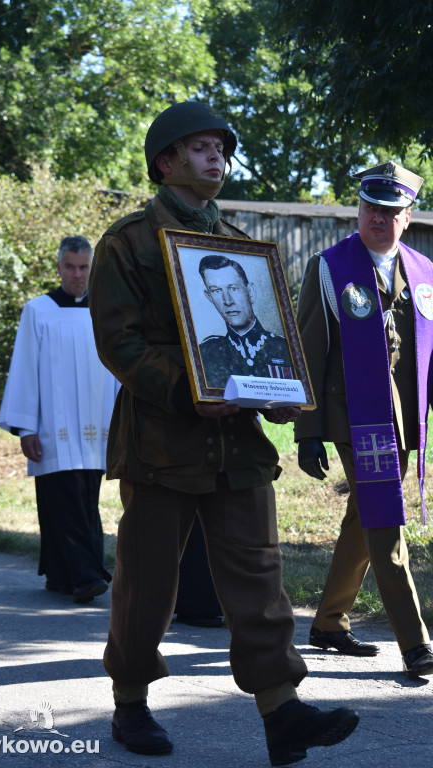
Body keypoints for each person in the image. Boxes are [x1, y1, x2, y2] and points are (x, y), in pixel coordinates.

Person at [89, 101, 359, 767]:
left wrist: (279, 393)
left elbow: (274, 342)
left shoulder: (242, 247)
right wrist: (189, 389)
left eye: (221, 148)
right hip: (161, 444)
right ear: (167, 161)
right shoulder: (125, 244)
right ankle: (130, 702)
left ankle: (281, 713)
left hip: (237, 446)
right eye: (201, 147)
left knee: (259, 582)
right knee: (147, 583)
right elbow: (117, 342)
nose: (217, 157)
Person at [295, 161, 433, 679]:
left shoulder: (423, 274)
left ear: (408, 215)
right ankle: (416, 642)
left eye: (390, 209)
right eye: (370, 206)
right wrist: (307, 433)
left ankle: (328, 621)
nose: (378, 217)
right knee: (383, 517)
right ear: (358, 208)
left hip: (403, 422)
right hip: (355, 420)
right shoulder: (328, 268)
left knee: (365, 516)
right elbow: (309, 352)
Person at [0, 236, 119, 604]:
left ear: (91, 267)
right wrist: (26, 427)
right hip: (53, 427)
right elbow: (24, 369)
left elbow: (118, 372)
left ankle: (60, 575)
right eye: (70, 267)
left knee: (85, 499)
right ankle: (87, 576)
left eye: (84, 267)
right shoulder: (39, 310)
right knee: (62, 499)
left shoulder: (107, 311)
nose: (77, 275)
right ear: (59, 267)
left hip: (97, 427)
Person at [199, 254, 293, 387]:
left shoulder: (284, 348)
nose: (227, 301)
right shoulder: (207, 353)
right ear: (209, 297)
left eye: (233, 288)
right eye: (216, 291)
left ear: (251, 292)